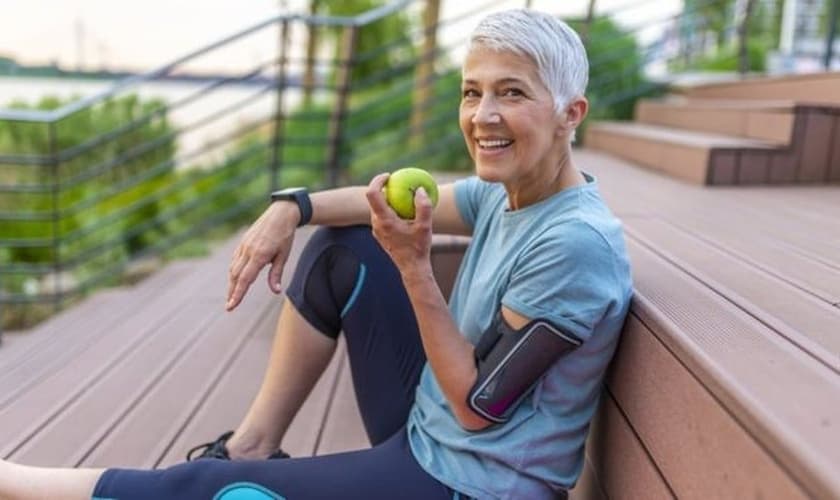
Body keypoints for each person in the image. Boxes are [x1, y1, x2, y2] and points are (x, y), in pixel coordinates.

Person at [0, 8, 632, 500]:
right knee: (344, 247)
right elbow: (372, 200)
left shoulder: (573, 247)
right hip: (428, 429)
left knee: (215, 492)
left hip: (471, 482)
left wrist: (414, 266)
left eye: (512, 94)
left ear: (570, 113)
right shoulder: (509, 192)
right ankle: (253, 444)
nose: (483, 115)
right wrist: (292, 208)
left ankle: (17, 484)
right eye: (472, 92)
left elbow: (475, 410)